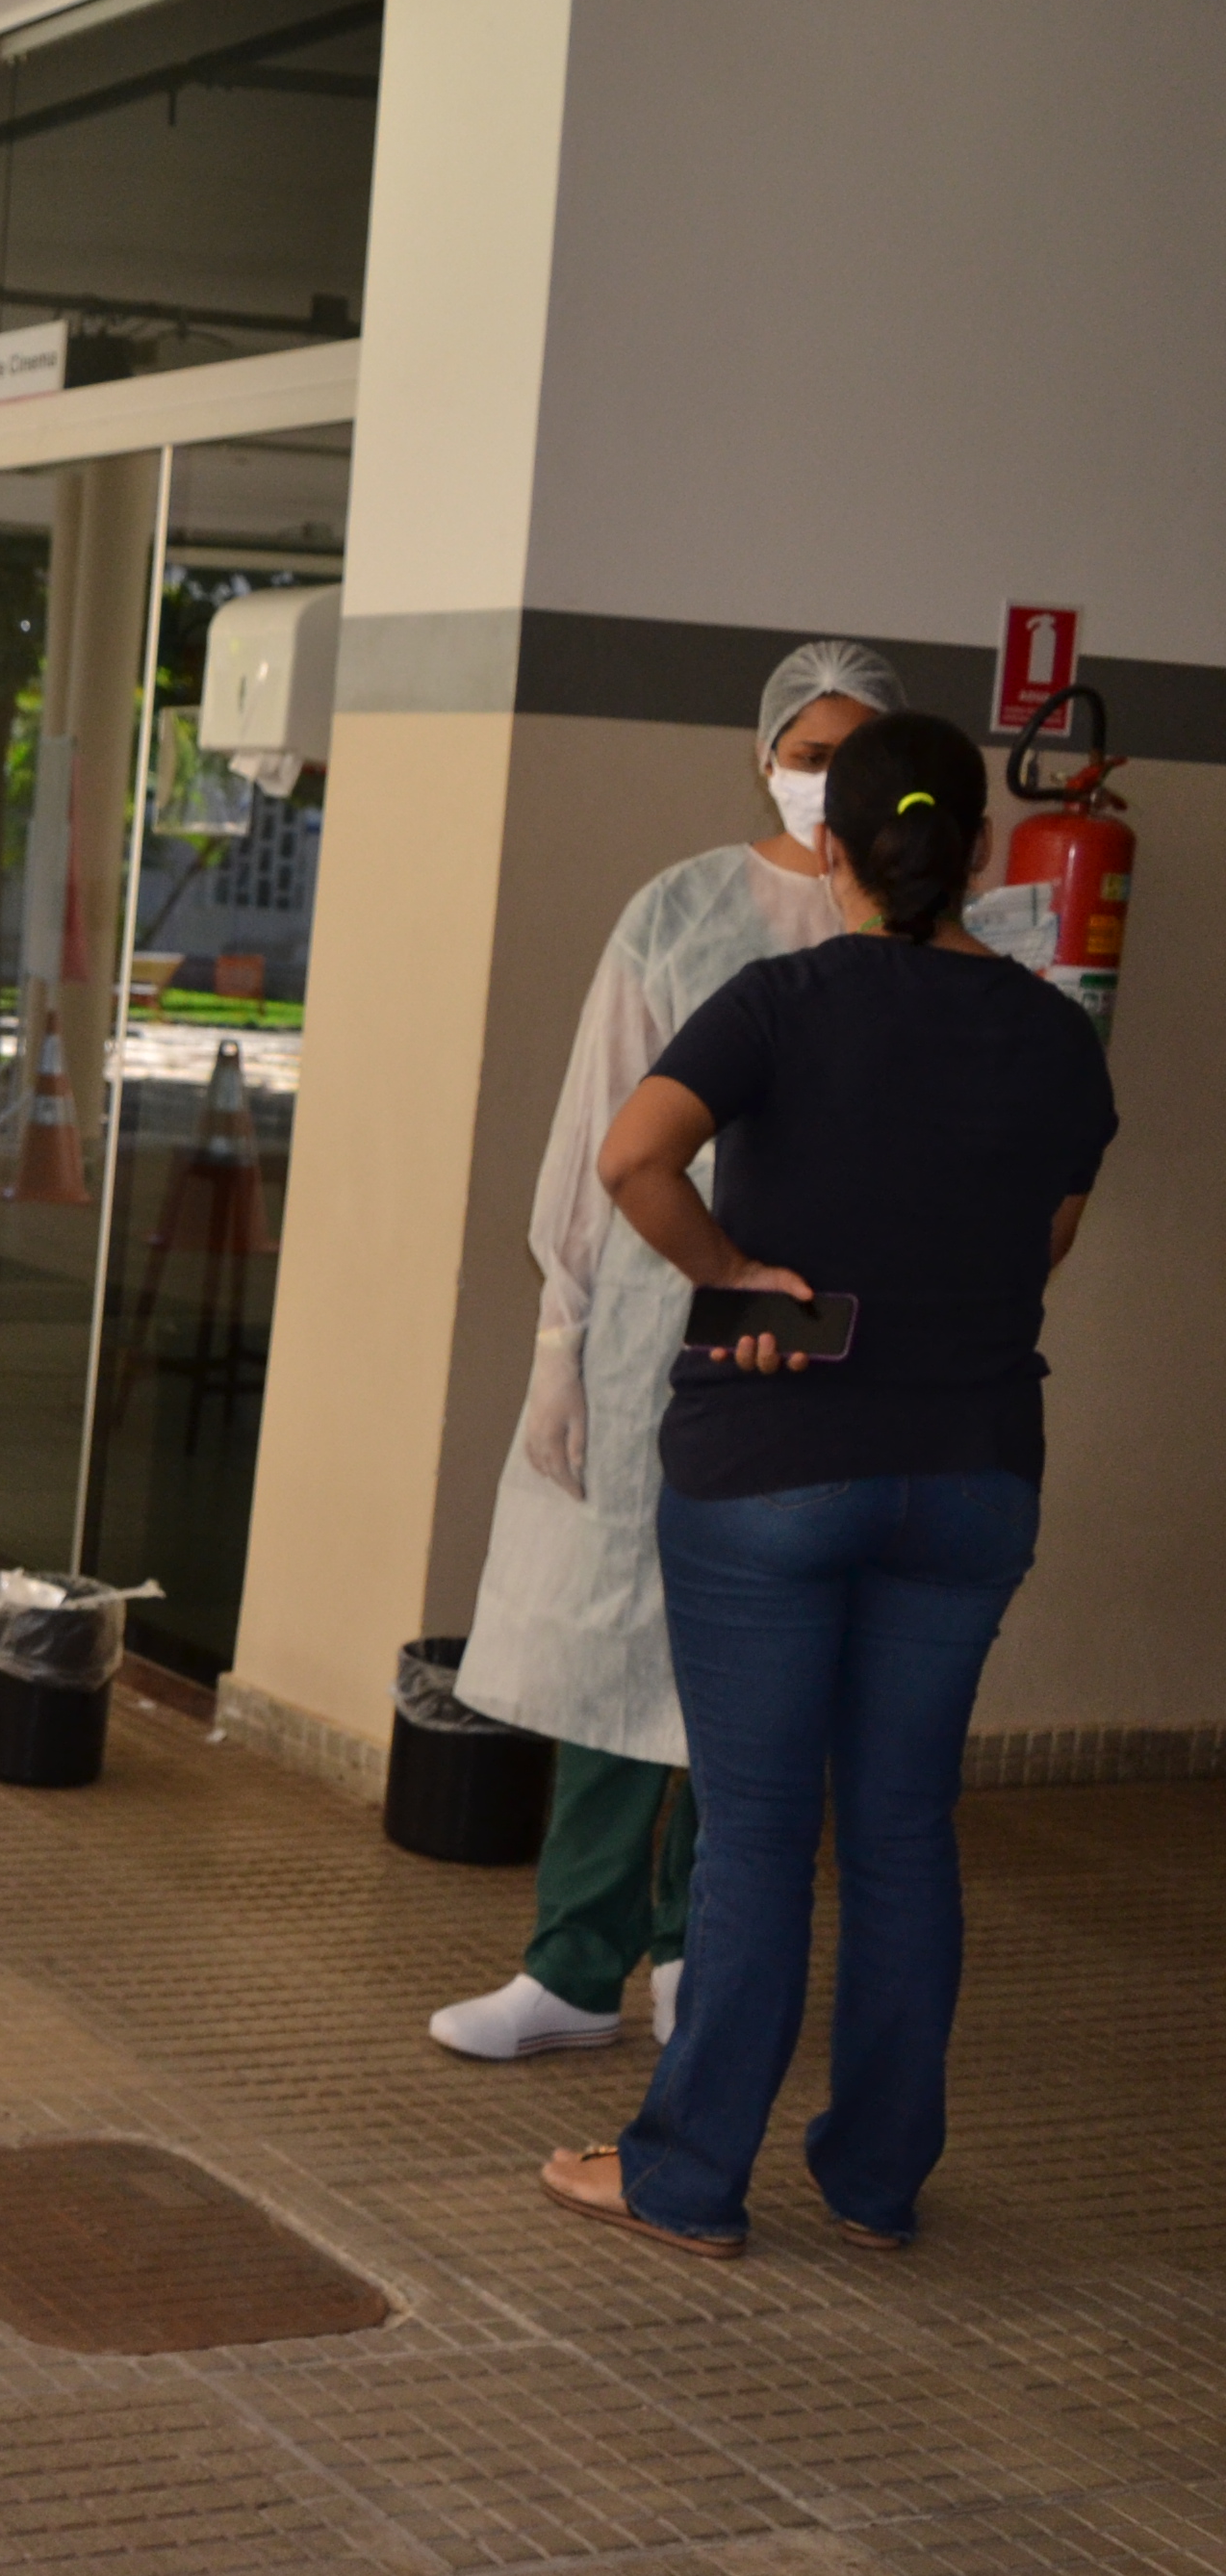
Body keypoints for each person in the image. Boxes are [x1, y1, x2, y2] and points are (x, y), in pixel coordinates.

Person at [544, 710, 1114, 2259]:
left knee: (754, 1834)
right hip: (975, 1476)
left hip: (776, 1468)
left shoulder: (778, 999)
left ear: (839, 855)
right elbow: (1050, 1235)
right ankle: (874, 2180)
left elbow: (631, 1160)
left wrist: (738, 1271)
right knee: (905, 1832)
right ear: (979, 857)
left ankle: (686, 2177)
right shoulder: (1060, 1033)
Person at [435, 643, 905, 2060]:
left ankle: (702, 1952)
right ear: (763, 754)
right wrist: (564, 1337)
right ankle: (574, 1967)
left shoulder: (928, 931)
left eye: (856, 754)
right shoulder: (685, 909)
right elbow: (602, 1131)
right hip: (657, 1316)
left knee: (758, 1646)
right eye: (806, 750)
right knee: (609, 1631)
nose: (826, 781)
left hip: (837, 1332)